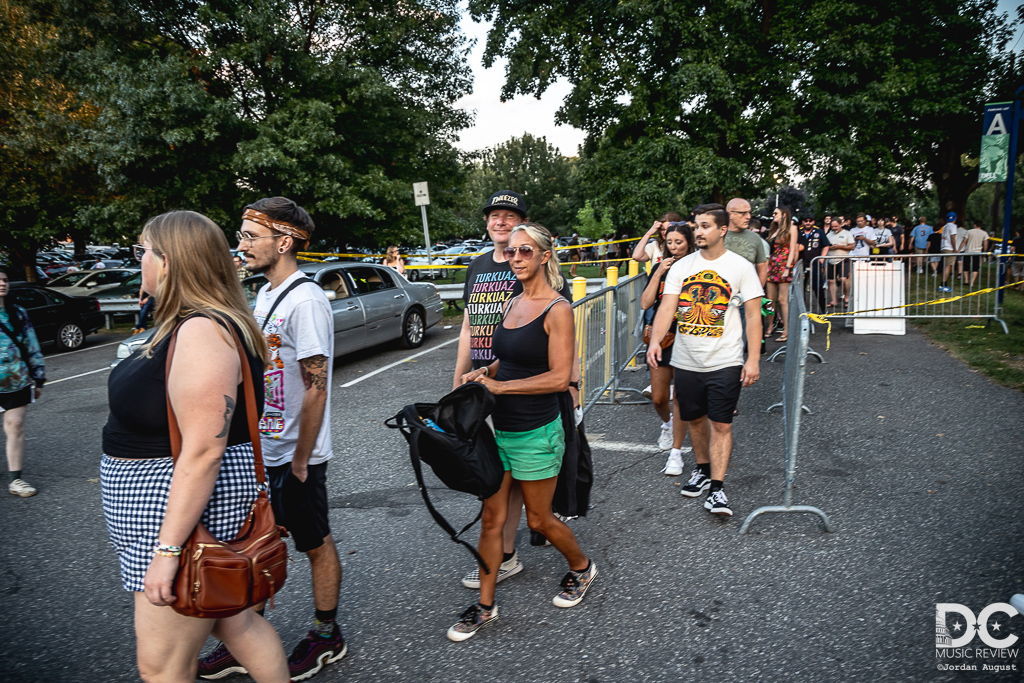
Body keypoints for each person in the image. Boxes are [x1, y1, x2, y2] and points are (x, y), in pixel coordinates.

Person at [100, 211, 288, 682]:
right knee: (235, 620)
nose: (139, 260)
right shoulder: (189, 323)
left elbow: (204, 450)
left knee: (163, 665)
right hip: (173, 509)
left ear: (168, 262)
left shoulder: (203, 330)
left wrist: (167, 552)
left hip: (180, 515)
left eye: (144, 251)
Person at [200, 198, 345, 681]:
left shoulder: (307, 300)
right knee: (258, 542)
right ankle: (248, 638)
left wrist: (302, 459)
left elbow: (317, 386)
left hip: (296, 455)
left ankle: (327, 636)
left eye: (249, 236)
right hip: (264, 450)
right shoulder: (264, 294)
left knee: (313, 542)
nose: (240, 244)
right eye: (240, 235)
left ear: (283, 243)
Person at [449, 223, 596, 642]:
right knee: (492, 519)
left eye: (525, 252)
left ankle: (582, 568)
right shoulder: (512, 302)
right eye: (512, 252)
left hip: (537, 429)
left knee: (540, 519)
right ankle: (485, 606)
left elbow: (558, 378)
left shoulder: (558, 309)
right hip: (502, 430)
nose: (516, 259)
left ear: (545, 256)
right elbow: (508, 359)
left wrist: (501, 387)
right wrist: (485, 371)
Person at [645, 204, 763, 517]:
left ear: (722, 230)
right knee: (695, 419)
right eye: (697, 225)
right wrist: (655, 341)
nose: (699, 231)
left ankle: (717, 490)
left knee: (721, 424)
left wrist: (753, 360)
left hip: (725, 360)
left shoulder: (740, 267)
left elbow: (753, 315)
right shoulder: (682, 267)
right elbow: (667, 307)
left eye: (706, 226)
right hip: (686, 360)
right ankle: (700, 468)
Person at [640, 223, 694, 470]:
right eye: (669, 242)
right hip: (661, 338)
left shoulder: (697, 267)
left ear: (689, 243)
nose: (673, 247)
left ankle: (676, 452)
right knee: (660, 398)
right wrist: (659, 272)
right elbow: (645, 302)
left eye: (678, 242)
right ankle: (667, 423)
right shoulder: (662, 266)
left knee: (680, 395)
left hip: (688, 337)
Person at [0, 269, 45, 498]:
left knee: (15, 425)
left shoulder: (17, 313)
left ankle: (15, 479)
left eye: (5, 279)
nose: (2, 283)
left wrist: (38, 377)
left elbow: (32, 345)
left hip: (15, 380)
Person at [765, 205, 798, 341]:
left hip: (783, 264)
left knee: (782, 299)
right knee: (770, 300)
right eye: (773, 213)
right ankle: (770, 326)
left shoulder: (792, 228)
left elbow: (792, 249)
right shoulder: (773, 229)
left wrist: (788, 268)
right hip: (772, 265)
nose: (773, 215)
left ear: (784, 214)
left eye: (776, 213)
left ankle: (787, 330)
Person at [797, 216, 830, 312]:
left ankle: (823, 310)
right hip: (801, 263)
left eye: (810, 221)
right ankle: (802, 311)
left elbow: (826, 245)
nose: (808, 222)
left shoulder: (819, 232)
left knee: (818, 287)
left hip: (815, 263)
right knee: (801, 288)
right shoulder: (798, 232)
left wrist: (822, 258)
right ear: (802, 222)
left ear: (813, 222)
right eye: (805, 221)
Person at [825, 219, 854, 308]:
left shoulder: (847, 233)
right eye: (832, 226)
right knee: (831, 281)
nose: (834, 228)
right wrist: (830, 247)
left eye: (836, 226)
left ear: (841, 225)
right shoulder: (829, 234)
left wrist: (839, 246)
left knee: (843, 279)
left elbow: (852, 246)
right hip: (831, 259)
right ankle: (834, 301)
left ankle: (846, 297)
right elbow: (824, 246)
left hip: (843, 259)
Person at [959, 219, 990, 288]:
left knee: (966, 266)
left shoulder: (969, 231)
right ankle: (972, 282)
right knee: (975, 268)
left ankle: (966, 280)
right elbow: (985, 244)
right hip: (977, 252)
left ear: (974, 225)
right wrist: (984, 252)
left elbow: (964, 241)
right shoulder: (984, 233)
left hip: (968, 251)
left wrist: (959, 249)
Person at [939, 213, 960, 292]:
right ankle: (943, 284)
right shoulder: (953, 226)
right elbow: (953, 238)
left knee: (946, 267)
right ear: (955, 218)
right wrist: (955, 249)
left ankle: (943, 283)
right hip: (949, 248)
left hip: (944, 247)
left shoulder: (944, 226)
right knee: (948, 266)